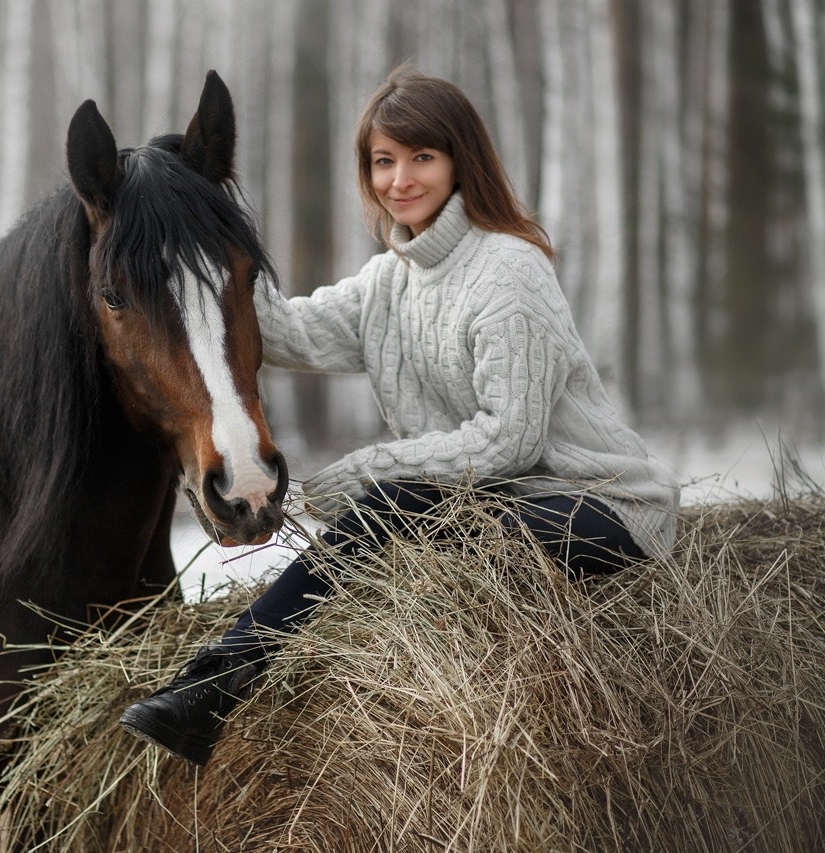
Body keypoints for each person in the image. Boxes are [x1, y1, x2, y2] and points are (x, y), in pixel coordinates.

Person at [119, 65, 680, 767]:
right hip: (495, 502)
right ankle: (216, 683)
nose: (400, 179)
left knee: (389, 508)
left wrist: (365, 468)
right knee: (397, 515)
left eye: (422, 157)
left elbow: (511, 439)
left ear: (459, 161)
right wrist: (203, 232)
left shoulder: (509, 270)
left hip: (602, 506)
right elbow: (287, 331)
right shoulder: (390, 281)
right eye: (384, 161)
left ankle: (219, 679)